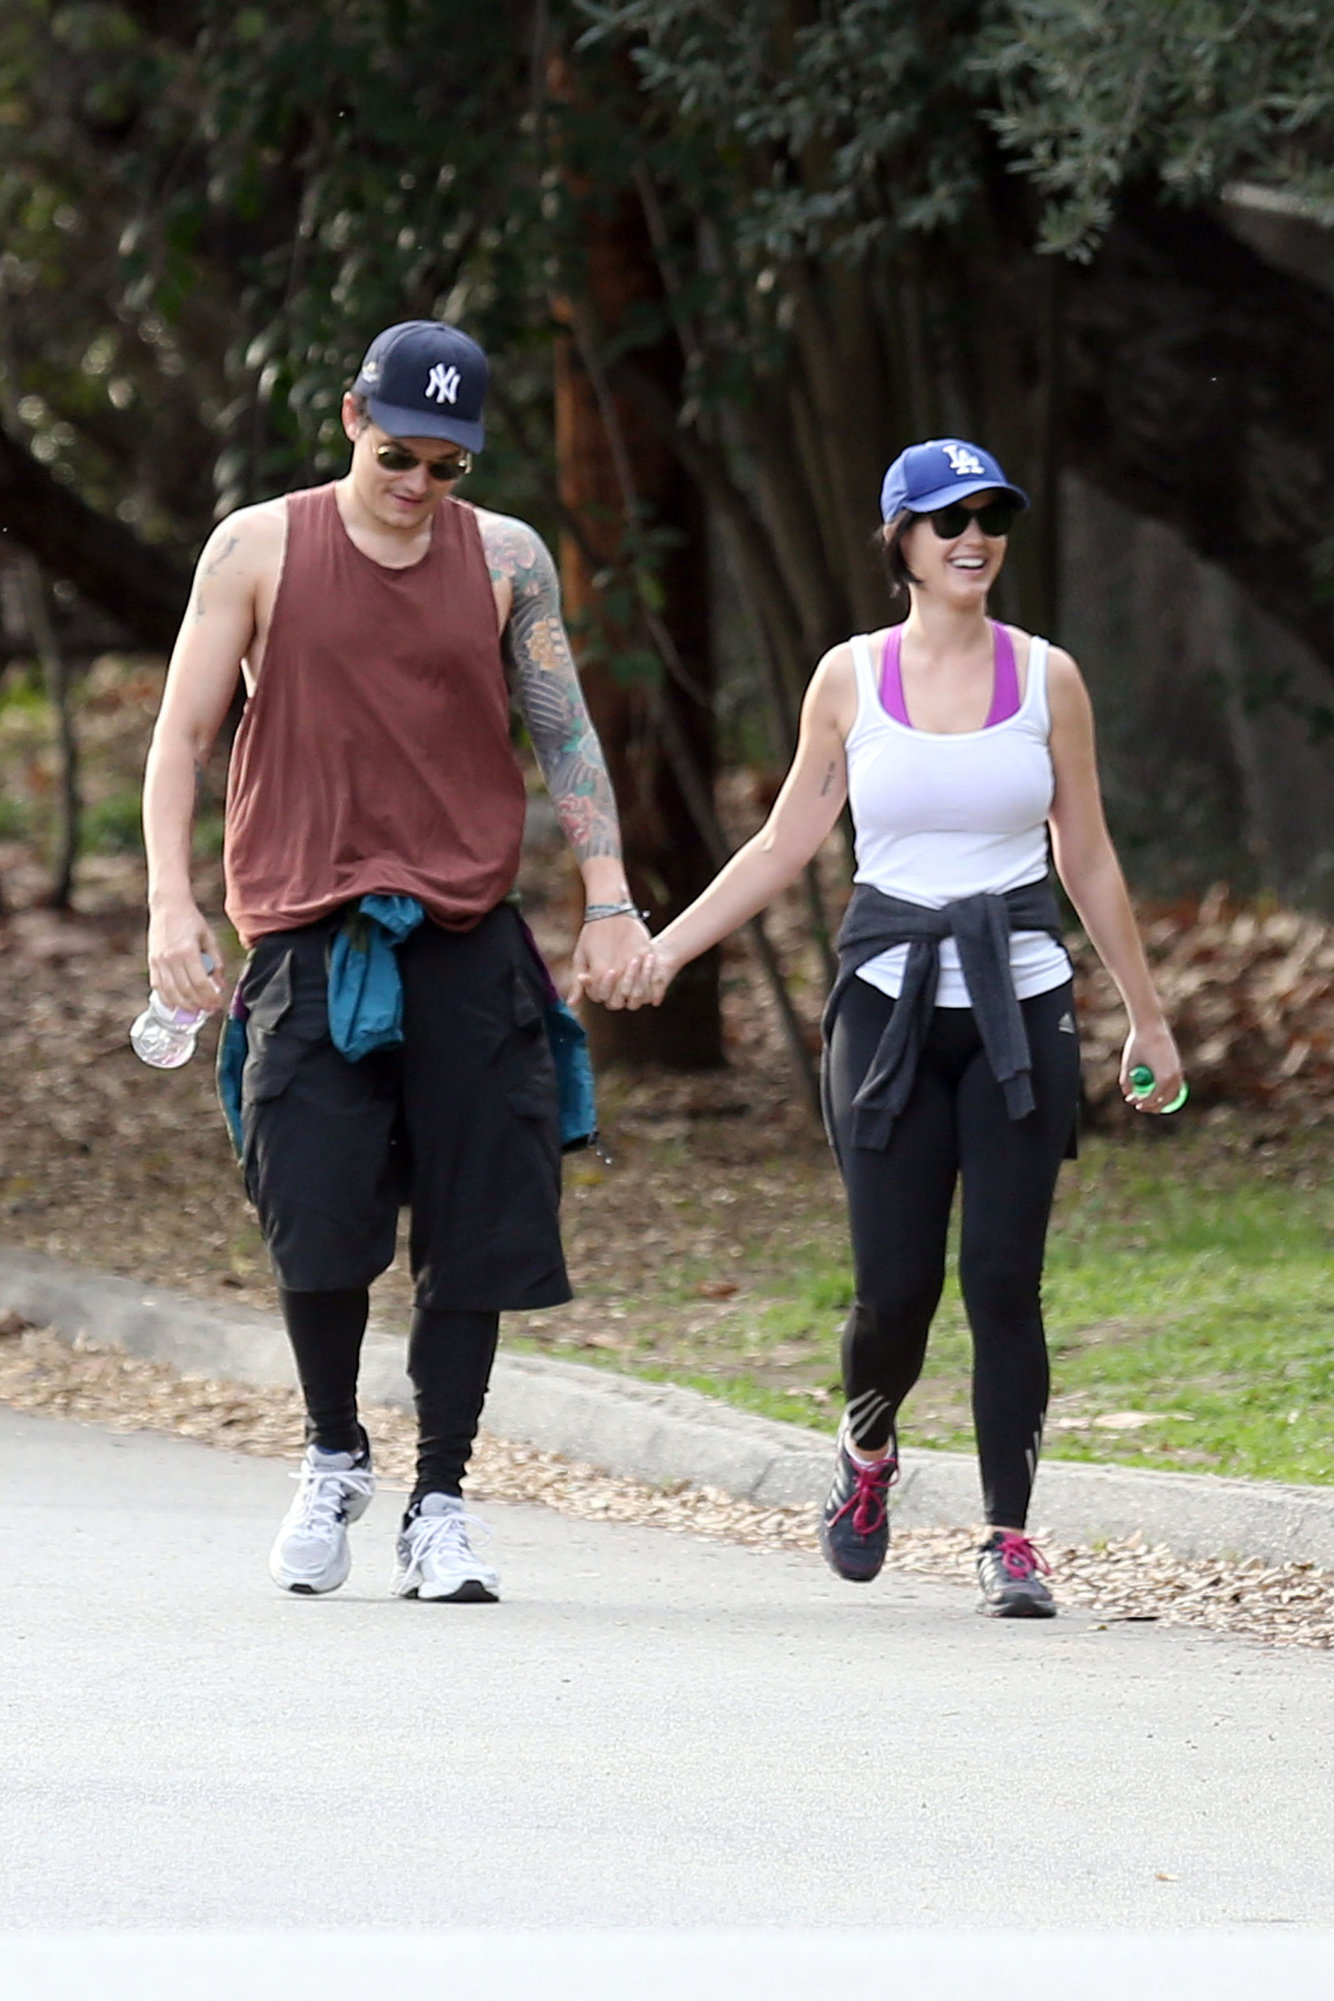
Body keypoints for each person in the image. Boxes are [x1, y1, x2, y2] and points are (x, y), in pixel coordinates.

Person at [610, 437, 1184, 1619]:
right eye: (944, 521)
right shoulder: (848, 678)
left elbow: (1085, 854)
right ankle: (866, 1456)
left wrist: (1145, 1015)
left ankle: (1008, 1538)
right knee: (892, 1290)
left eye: (987, 516)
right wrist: (668, 948)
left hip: (1018, 1007)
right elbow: (783, 843)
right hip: (883, 1014)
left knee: (1002, 1280)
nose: (971, 537)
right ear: (900, 543)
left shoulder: (1046, 677)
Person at [142, 320, 647, 1603]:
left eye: (447, 466)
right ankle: (331, 1454)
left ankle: (441, 1500)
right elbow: (182, 737)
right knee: (310, 1217)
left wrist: (608, 900)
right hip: (306, 933)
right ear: (354, 421)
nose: (419, 486)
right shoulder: (257, 546)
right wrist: (169, 903)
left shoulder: (507, 559)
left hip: (466, 937)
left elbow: (564, 733)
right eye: (400, 457)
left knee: (474, 1231)